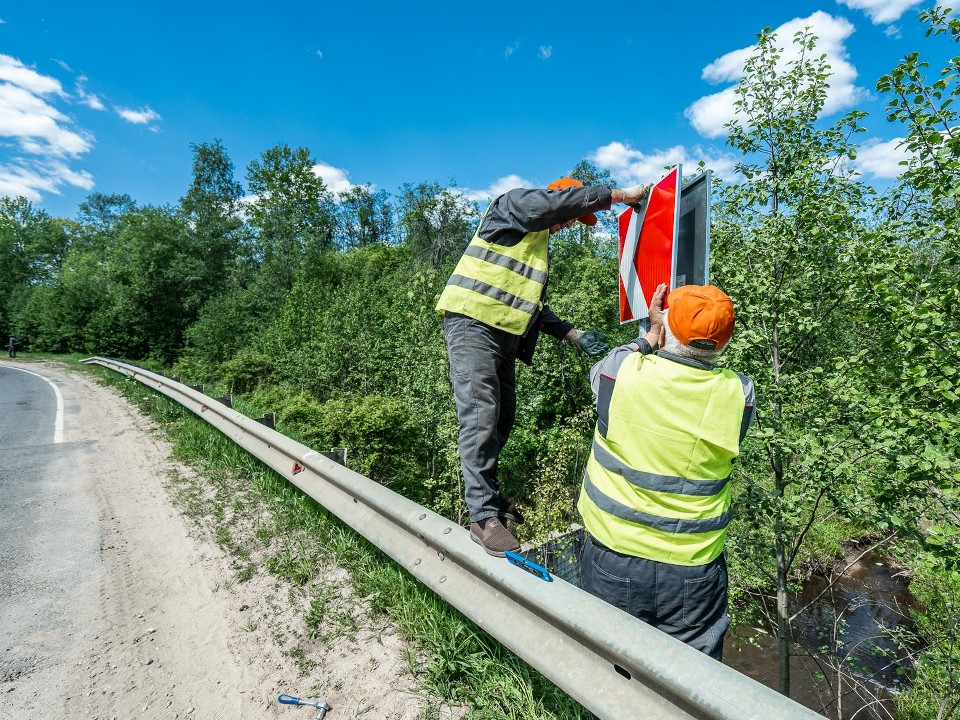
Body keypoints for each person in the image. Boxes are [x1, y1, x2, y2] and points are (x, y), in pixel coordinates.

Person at [437, 177, 654, 557]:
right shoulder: (514, 207)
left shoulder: (535, 248)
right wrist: (620, 196)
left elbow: (530, 305)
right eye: (573, 216)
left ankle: (490, 494)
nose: (571, 224)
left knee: (503, 418)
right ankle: (482, 516)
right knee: (480, 416)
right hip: (473, 323)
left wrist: (574, 335)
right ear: (558, 198)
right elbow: (549, 206)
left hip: (503, 333)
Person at [577, 283, 755, 660]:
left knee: (607, 671)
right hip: (692, 567)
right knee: (688, 686)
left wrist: (650, 335)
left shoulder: (621, 371)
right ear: (725, 341)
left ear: (667, 325)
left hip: (613, 552)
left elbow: (609, 364)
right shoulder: (740, 394)